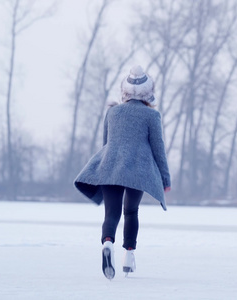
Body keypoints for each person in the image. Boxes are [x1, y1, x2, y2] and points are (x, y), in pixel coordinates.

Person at [74, 65, 171, 280]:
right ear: (149, 92)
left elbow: (105, 144)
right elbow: (158, 148)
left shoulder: (113, 112)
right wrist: (165, 177)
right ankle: (129, 256)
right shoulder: (151, 116)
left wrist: (105, 167)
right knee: (131, 211)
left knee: (112, 213)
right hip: (138, 170)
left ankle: (108, 243)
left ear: (124, 91)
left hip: (111, 166)